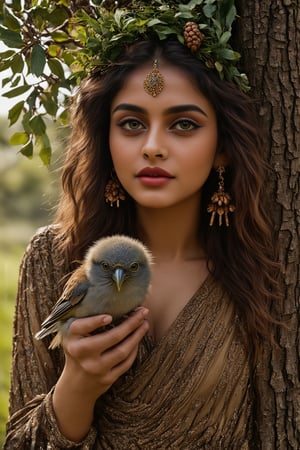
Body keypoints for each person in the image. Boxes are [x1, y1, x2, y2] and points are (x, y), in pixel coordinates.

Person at [4, 2, 281, 449]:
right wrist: (77, 386)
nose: (152, 147)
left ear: (224, 148)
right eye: (131, 123)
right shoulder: (53, 259)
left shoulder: (260, 271)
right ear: (105, 137)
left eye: (183, 124)